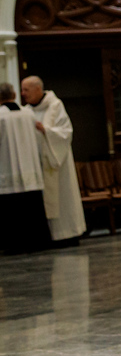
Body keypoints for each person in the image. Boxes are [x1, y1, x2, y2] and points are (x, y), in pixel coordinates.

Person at [21, 76, 86, 246]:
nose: (23, 94)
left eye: (26, 90)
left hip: (57, 163)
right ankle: (47, 236)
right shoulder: (26, 111)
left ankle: (67, 234)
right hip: (38, 165)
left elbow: (66, 132)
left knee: (61, 198)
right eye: (22, 90)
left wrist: (46, 131)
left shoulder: (55, 106)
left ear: (38, 89)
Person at [0, 82, 51, 254]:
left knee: (11, 212)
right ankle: (38, 242)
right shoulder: (28, 114)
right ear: (14, 95)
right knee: (33, 208)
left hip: (8, 170)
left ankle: (13, 245)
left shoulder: (1, 116)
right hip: (31, 170)